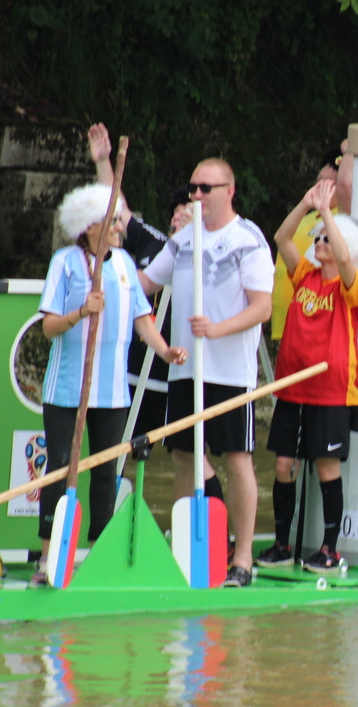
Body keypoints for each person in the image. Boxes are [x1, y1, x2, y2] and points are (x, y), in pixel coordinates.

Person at [35, 184, 187, 584]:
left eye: (119, 220)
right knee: (61, 469)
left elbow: (142, 319)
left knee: (106, 474)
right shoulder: (65, 263)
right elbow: (48, 327)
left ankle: (99, 556)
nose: (121, 227)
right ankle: (47, 557)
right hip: (67, 390)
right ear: (89, 228)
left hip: (112, 392)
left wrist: (166, 350)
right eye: (113, 221)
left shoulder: (123, 265)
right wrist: (81, 312)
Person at [140, 158, 275, 588]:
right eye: (192, 187)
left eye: (205, 188)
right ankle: (189, 547)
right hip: (185, 369)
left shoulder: (247, 239)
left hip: (230, 372)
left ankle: (242, 559)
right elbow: (145, 284)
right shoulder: (182, 240)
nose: (196, 196)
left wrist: (217, 329)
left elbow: (262, 306)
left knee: (237, 460)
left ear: (229, 191)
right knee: (184, 458)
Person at [86, 124, 229, 502]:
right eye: (180, 208)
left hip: (179, 372)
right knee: (118, 446)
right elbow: (117, 209)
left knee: (190, 454)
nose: (184, 214)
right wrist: (104, 162)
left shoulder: (213, 253)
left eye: (193, 208)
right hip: (137, 369)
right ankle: (112, 519)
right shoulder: (154, 243)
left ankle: (215, 528)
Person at [258, 176, 358, 573]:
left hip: (331, 391)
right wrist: (306, 204)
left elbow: (345, 259)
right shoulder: (303, 274)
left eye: (326, 239)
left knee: (326, 467)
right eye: (317, 238)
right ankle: (282, 543)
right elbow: (282, 238)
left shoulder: (351, 287)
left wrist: (327, 213)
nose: (319, 243)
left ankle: (329, 548)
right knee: (284, 465)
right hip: (292, 388)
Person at [271, 142, 346, 341]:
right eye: (320, 180)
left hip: (316, 320)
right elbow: (281, 239)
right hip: (287, 319)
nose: (322, 187)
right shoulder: (304, 218)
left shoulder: (344, 218)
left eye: (331, 183)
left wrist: (349, 153)